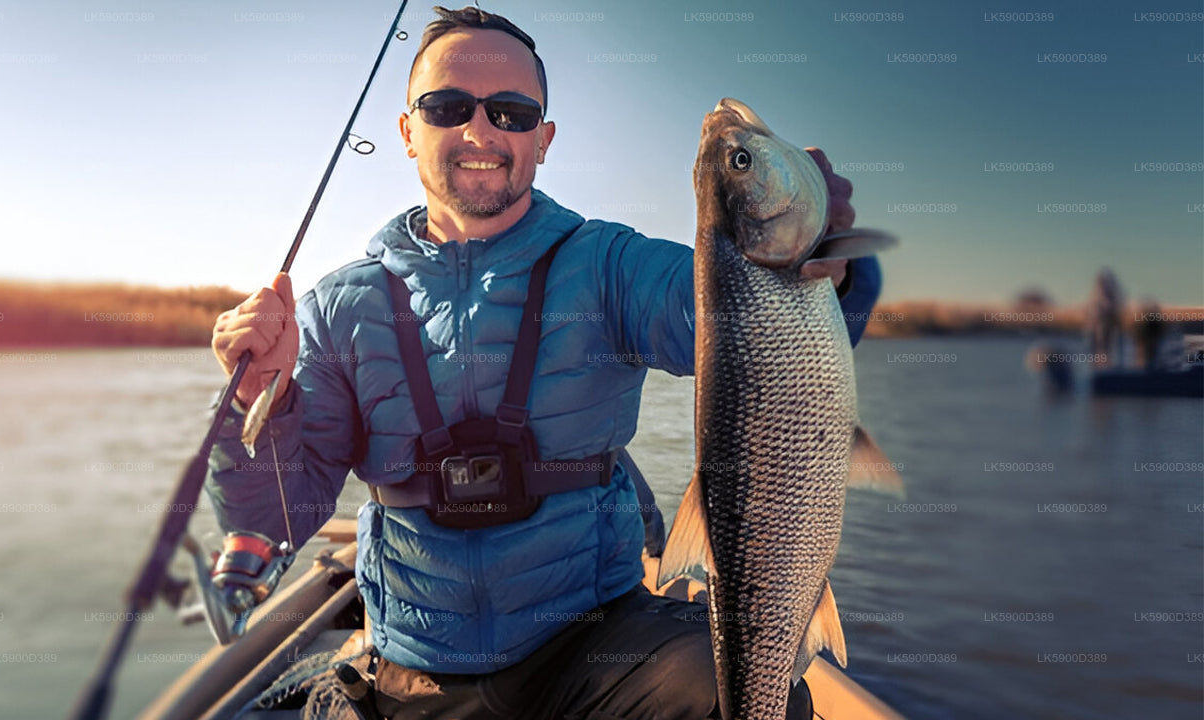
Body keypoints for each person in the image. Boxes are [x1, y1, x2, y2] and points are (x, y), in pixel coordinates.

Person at [208, 6, 882, 719]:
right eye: (446, 107)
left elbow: (736, 323)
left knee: (728, 696)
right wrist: (261, 396)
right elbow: (271, 514)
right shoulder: (335, 307)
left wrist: (823, 262)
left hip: (601, 648)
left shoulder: (611, 263)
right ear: (408, 131)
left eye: (511, 110)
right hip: (415, 670)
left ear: (543, 138)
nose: (480, 130)